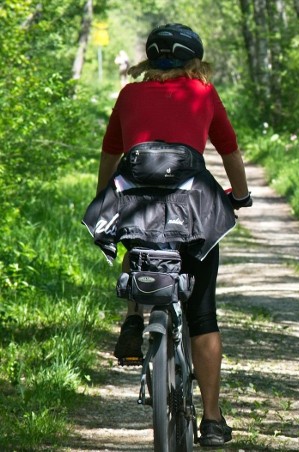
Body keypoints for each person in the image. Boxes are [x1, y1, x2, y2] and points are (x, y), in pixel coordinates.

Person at [95, 23, 252, 447]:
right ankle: (213, 420)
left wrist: (103, 199)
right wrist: (241, 196)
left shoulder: (129, 95)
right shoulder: (202, 93)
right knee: (202, 314)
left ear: (149, 60)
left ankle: (132, 317)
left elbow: (111, 154)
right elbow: (230, 151)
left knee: (136, 235)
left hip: (136, 203)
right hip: (193, 208)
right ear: (193, 62)